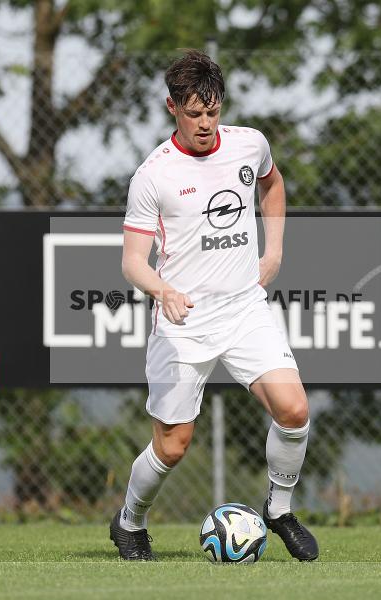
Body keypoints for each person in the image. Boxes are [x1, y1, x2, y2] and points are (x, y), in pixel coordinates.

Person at [112, 49, 318, 562]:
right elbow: (133, 262)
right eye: (193, 113)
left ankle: (279, 509)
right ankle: (129, 521)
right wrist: (163, 291)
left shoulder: (250, 145)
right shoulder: (153, 175)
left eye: (213, 111)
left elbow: (272, 184)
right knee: (174, 445)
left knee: (294, 410)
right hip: (183, 324)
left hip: (245, 308)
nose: (205, 123)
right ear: (171, 108)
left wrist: (274, 250)